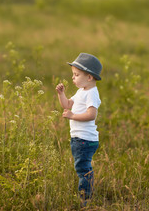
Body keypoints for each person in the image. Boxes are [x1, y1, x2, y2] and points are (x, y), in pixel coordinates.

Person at [55, 53, 102, 207]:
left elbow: (91, 114)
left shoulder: (91, 93)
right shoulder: (81, 90)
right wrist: (61, 94)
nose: (73, 78)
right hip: (79, 139)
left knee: (83, 168)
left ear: (89, 77)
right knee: (81, 166)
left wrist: (73, 116)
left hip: (85, 139)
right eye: (73, 75)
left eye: (76, 75)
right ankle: (86, 192)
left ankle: (85, 198)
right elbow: (67, 105)